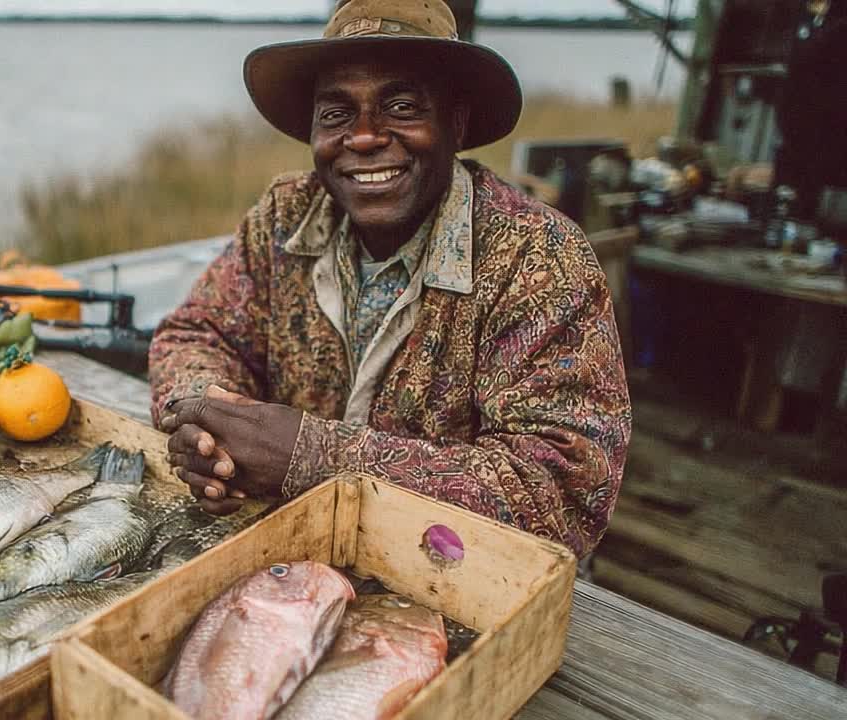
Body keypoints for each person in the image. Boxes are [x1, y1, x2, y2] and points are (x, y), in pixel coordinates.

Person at [150, 0, 631, 558]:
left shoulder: (539, 256)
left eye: (400, 106)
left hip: (451, 575)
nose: (363, 137)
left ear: (456, 122)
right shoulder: (284, 216)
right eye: (335, 114)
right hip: (285, 550)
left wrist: (314, 456)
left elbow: (556, 490)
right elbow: (197, 334)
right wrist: (210, 428)